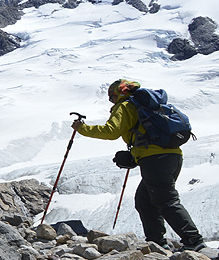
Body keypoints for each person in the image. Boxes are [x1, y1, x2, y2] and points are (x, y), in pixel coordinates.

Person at [74, 79, 205, 251]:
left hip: (155, 159)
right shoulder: (148, 106)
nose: (110, 100)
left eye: (112, 95)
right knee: (145, 200)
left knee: (166, 201)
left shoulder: (126, 106)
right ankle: (156, 242)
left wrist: (82, 128)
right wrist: (134, 154)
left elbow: (111, 131)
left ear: (121, 93)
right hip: (172, 156)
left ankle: (194, 240)